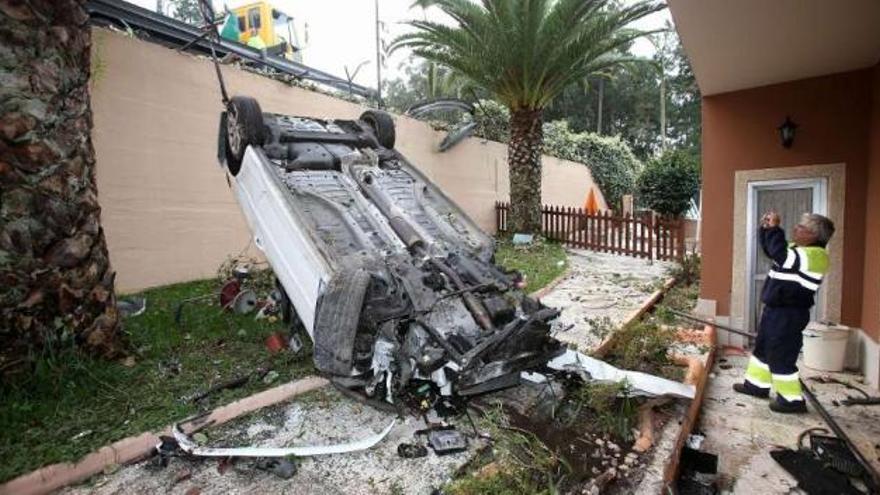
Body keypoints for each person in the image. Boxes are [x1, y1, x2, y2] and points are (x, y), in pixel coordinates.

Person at [733, 211, 835, 413]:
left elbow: (782, 255)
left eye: (801, 227)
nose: (796, 228)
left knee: (781, 355)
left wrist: (775, 228)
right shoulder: (797, 249)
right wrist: (766, 229)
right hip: (775, 309)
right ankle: (756, 386)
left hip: (789, 314)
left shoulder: (816, 256)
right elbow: (773, 250)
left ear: (814, 235)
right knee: (762, 349)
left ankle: (791, 400)